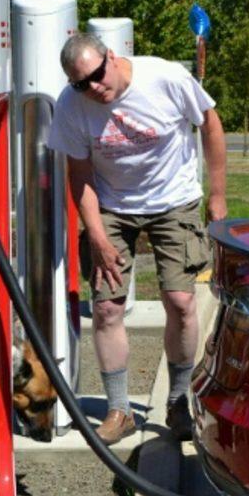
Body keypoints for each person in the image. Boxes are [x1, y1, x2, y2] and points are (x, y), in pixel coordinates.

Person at [47, 33, 227, 445]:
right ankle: (119, 409)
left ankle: (179, 401)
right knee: (107, 308)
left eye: (96, 75)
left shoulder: (165, 78)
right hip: (111, 205)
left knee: (181, 302)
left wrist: (217, 195)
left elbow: (210, 125)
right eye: (80, 83)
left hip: (174, 200)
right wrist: (96, 235)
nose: (92, 87)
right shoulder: (72, 105)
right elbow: (80, 175)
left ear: (113, 57)